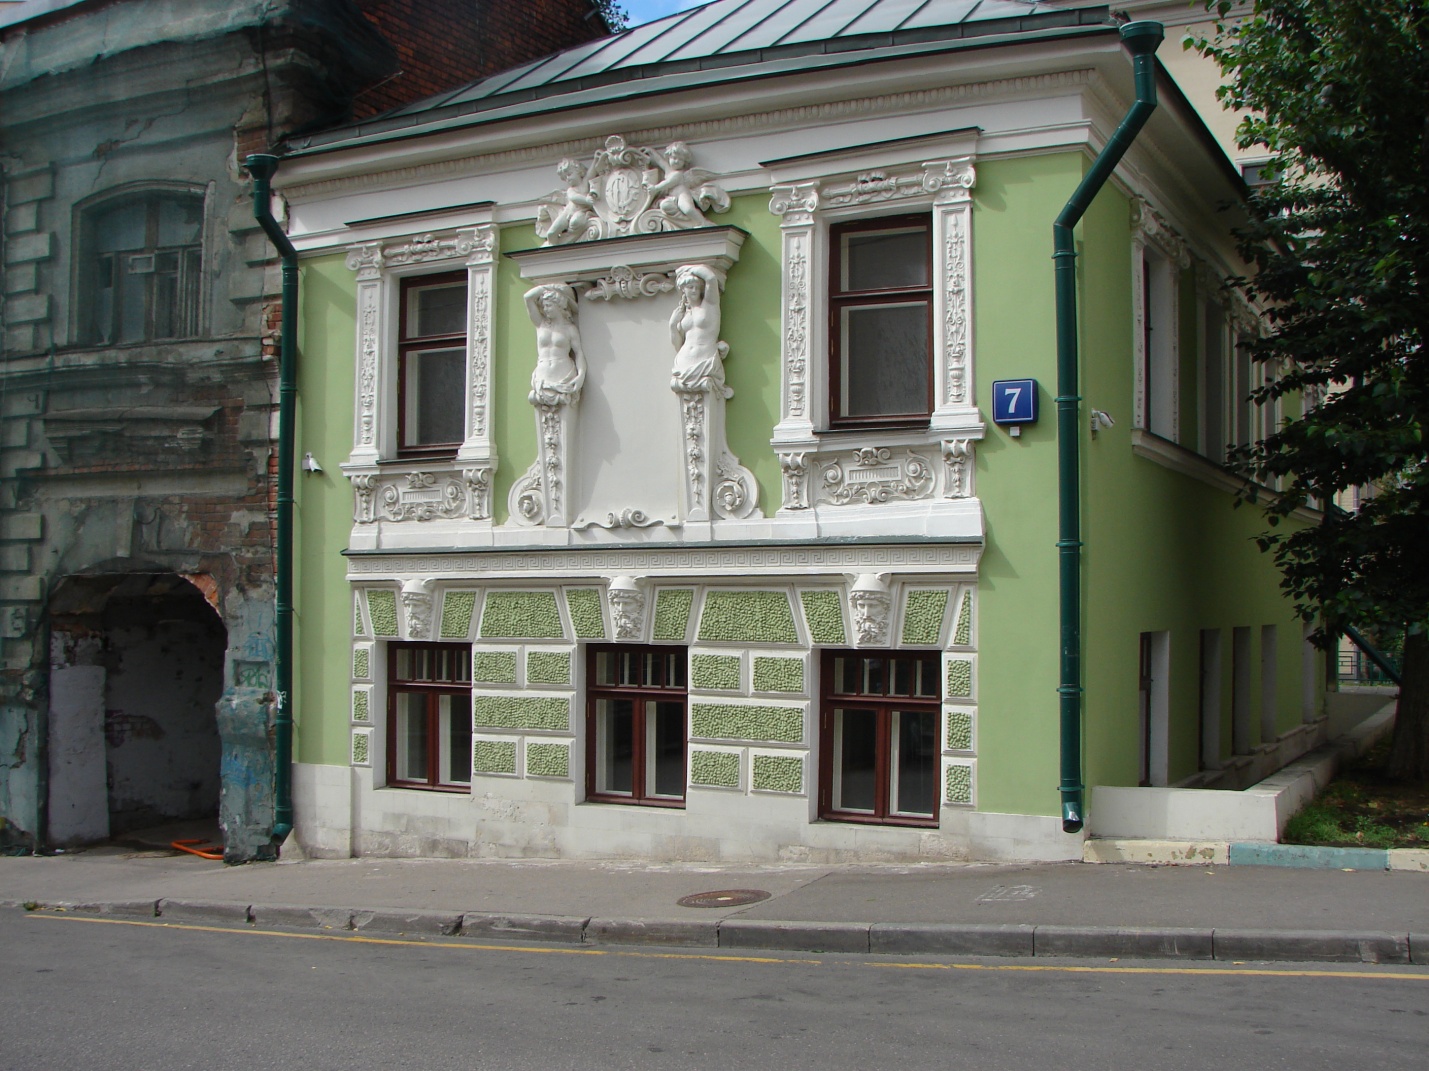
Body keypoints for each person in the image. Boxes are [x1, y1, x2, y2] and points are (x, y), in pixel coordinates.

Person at [669, 264, 731, 397]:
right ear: (683, 290)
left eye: (697, 287)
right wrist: (673, 325)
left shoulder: (709, 305)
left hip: (705, 359)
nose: (694, 290)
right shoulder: (683, 314)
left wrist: (686, 270)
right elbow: (678, 345)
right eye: (690, 287)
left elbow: (710, 278)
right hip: (683, 362)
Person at [525, 284, 585, 405]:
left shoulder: (570, 329)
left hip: (564, 375)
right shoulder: (541, 324)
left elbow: (579, 353)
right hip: (542, 376)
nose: (545, 309)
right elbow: (527, 298)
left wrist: (581, 374)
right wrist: (549, 288)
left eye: (549, 305)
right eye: (544, 306)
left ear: (558, 305)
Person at [536, 158, 595, 244]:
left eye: (569, 174)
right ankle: (554, 249)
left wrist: (596, 159)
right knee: (551, 233)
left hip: (580, 214)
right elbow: (574, 197)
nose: (567, 178)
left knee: (575, 221)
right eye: (565, 177)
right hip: (567, 214)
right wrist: (586, 200)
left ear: (579, 171)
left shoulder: (585, 183)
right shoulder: (571, 190)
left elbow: (592, 171)